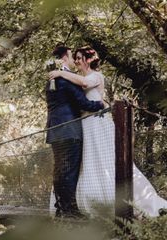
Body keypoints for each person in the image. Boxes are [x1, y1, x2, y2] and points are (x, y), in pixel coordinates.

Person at [49, 46, 167, 217]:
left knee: (106, 156)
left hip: (98, 123)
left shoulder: (96, 76)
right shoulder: (76, 78)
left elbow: (85, 84)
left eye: (80, 57)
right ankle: (92, 197)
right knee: (89, 158)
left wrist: (60, 73)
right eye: (75, 58)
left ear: (89, 59)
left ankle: (125, 199)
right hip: (85, 124)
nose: (77, 61)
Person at [45, 44, 104, 217]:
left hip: (55, 131)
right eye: (72, 57)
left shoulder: (51, 79)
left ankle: (61, 208)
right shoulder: (66, 79)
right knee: (69, 172)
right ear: (64, 58)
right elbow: (84, 104)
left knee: (59, 171)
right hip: (70, 131)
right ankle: (69, 211)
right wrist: (101, 104)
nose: (74, 61)